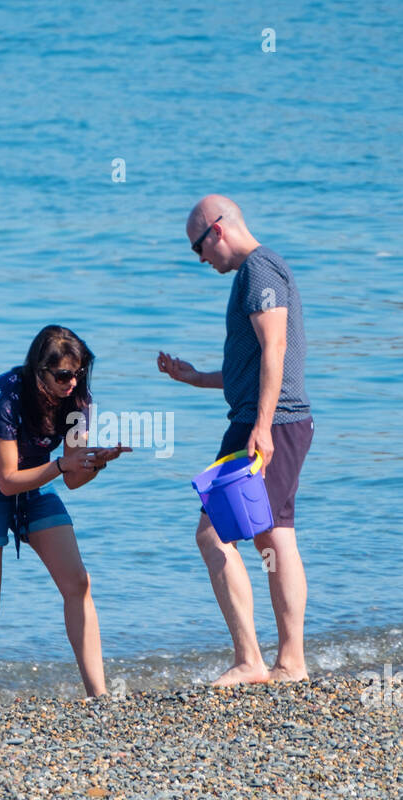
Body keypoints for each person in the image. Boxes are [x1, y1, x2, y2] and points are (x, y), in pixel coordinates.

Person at [158, 194, 314, 686]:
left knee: (212, 533)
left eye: (197, 248)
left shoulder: (259, 271)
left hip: (268, 425)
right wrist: (195, 378)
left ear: (217, 229)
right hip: (275, 421)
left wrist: (262, 427)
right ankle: (290, 663)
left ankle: (253, 660)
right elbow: (252, 368)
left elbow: (276, 349)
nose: (201, 260)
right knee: (274, 536)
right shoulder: (261, 270)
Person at [0, 325, 130, 706]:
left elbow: (73, 481)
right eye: (63, 375)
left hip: (39, 483)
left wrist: (94, 463)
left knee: (78, 582)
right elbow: (6, 481)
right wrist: (63, 465)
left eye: (78, 373)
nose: (72, 382)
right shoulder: (1, 398)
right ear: (38, 371)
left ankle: (97, 696)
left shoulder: (79, 401)